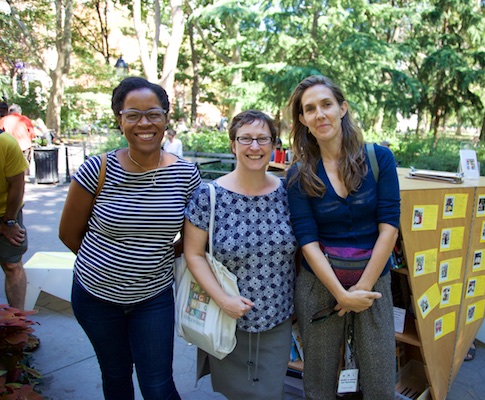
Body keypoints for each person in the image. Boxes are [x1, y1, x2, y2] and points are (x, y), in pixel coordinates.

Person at [58, 77, 200, 400]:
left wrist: (156, 257)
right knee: (117, 376)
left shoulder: (185, 175)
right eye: (133, 115)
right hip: (95, 297)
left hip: (153, 297)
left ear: (166, 118)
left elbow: (194, 238)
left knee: (158, 386)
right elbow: (68, 233)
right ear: (119, 120)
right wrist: (111, 264)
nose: (144, 123)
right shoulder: (97, 169)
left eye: (154, 113)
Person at [285, 75, 400, 399]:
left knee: (379, 382)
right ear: (303, 120)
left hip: (373, 284)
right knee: (319, 381)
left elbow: (389, 227)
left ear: (342, 108)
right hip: (319, 286)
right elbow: (306, 240)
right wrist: (341, 294)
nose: (320, 114)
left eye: (326, 104)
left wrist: (360, 290)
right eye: (310, 109)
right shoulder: (298, 173)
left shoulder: (379, 159)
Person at [184, 110, 297, 400]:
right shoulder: (208, 196)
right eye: (245, 138)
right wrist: (224, 300)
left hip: (277, 320)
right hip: (226, 321)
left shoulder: (289, 193)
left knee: (271, 394)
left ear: (274, 144)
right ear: (233, 144)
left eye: (263, 138)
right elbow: (193, 254)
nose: (255, 146)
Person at [0, 129, 30, 311]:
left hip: (6, 212)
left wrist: (9, 222)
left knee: (12, 265)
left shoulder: (6, 143)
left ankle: (18, 325)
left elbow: (18, 185)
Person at [0, 104, 36, 176]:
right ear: (20, 112)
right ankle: (25, 177)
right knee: (25, 164)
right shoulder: (25, 119)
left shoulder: (3, 120)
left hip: (11, 147)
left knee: (13, 166)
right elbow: (32, 133)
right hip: (25, 145)